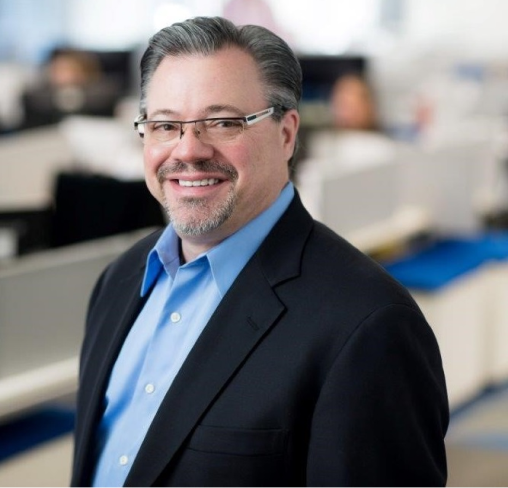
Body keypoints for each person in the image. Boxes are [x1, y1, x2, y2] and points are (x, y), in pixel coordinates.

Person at [71, 16, 448, 488]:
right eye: (165, 124)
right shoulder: (120, 280)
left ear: (286, 134)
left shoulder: (369, 324)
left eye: (223, 122)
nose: (188, 150)